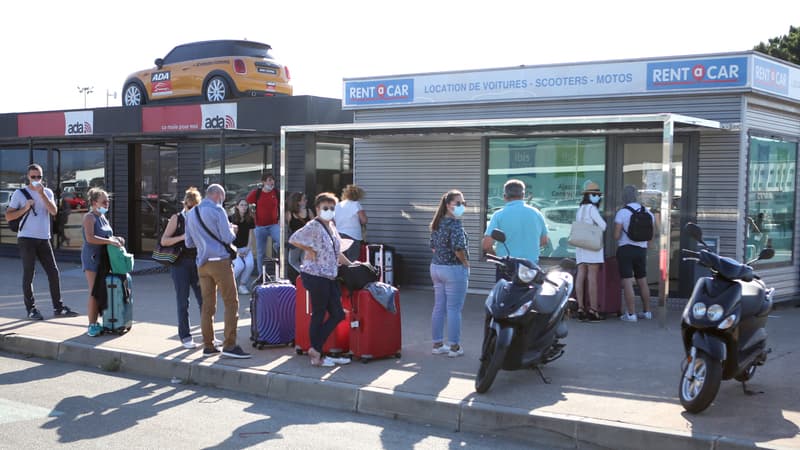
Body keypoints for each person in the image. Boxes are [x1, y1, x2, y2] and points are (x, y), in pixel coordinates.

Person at [185, 184, 251, 359]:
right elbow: (228, 237)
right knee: (231, 302)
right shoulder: (218, 210)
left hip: (202, 264)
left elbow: (188, 243)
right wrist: (232, 229)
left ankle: (208, 345)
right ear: (217, 195)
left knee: (207, 305)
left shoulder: (191, 213)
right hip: (220, 262)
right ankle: (229, 345)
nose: (223, 200)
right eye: (222, 197)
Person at [5, 164, 77, 321]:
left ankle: (58, 307)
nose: (37, 180)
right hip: (26, 238)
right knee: (29, 273)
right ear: (28, 177)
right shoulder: (20, 193)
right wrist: (25, 208)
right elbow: (9, 216)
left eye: (39, 177)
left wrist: (42, 195)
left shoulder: (48, 192)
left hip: (44, 238)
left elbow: (53, 211)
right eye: (33, 177)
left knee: (53, 272)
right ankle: (31, 309)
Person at [289, 192, 353, 368]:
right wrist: (308, 249)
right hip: (316, 275)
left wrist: (352, 266)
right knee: (319, 312)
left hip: (329, 275)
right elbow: (293, 239)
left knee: (338, 313)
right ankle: (316, 353)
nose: (329, 211)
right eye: (325, 208)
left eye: (332, 208)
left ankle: (316, 349)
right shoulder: (314, 225)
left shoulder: (331, 226)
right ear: (317, 209)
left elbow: (337, 251)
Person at [160, 187, 204, 349]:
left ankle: (208, 334)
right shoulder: (177, 218)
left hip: (198, 261)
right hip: (180, 263)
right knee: (183, 301)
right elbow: (164, 241)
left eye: (194, 207)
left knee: (205, 300)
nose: (191, 209)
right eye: (188, 206)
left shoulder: (199, 218)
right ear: (184, 204)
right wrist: (183, 237)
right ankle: (185, 336)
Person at [429, 190, 470, 357]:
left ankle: (438, 344)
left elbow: (433, 246)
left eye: (463, 204)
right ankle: (454, 347)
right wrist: (466, 264)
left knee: (439, 307)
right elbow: (458, 248)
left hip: (436, 267)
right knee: (454, 309)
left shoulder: (437, 223)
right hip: (453, 269)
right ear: (448, 205)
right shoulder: (455, 224)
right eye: (458, 204)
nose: (462, 207)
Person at [482, 179, 548, 281]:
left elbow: (486, 245)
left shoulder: (498, 215)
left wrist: (497, 257)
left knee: (505, 296)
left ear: (504, 196)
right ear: (523, 195)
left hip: (506, 267)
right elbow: (544, 241)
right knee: (529, 296)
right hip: (530, 268)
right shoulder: (536, 214)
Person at [81, 188, 125, 336]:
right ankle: (92, 325)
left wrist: (116, 239)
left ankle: (103, 320)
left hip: (105, 259)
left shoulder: (102, 217)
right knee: (94, 292)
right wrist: (110, 241)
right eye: (104, 202)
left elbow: (107, 236)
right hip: (92, 259)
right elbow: (90, 238)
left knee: (103, 290)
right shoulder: (89, 217)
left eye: (108, 201)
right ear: (94, 203)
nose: (107, 204)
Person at [614, 185, 655, 322]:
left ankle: (631, 314)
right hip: (641, 250)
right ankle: (647, 311)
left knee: (627, 281)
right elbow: (651, 236)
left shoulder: (622, 212)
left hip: (626, 249)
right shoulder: (647, 212)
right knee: (642, 280)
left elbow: (616, 235)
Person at [574, 181, 607, 322]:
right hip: (591, 244)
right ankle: (593, 310)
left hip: (579, 244)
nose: (598, 197)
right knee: (592, 277)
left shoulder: (580, 208)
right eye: (596, 195)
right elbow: (603, 226)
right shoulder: (592, 209)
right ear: (591, 196)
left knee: (581, 274)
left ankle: (580, 307)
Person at [246, 173, 280, 279]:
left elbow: (283, 205)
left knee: (281, 242)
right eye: (269, 180)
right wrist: (251, 215)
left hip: (274, 225)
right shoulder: (256, 193)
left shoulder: (276, 193)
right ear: (264, 182)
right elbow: (246, 203)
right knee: (261, 252)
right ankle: (262, 275)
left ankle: (276, 247)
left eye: (273, 180)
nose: (272, 182)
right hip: (260, 226)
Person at [334, 184, 367, 262]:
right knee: (352, 260)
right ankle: (351, 274)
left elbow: (333, 220)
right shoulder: (356, 204)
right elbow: (364, 220)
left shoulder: (338, 205)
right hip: (353, 236)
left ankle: (342, 274)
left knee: (342, 260)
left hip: (339, 235)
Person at [286, 192, 314, 283]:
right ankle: (306, 275)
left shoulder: (291, 213)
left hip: (299, 240)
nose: (306, 201)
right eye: (304, 199)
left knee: (294, 261)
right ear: (298, 202)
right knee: (300, 261)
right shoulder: (307, 211)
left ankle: (305, 276)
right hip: (302, 240)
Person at [229, 198, 255, 293]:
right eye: (241, 205)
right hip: (233, 248)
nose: (244, 207)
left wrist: (248, 248)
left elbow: (250, 235)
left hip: (245, 247)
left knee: (250, 264)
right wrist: (236, 251)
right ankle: (228, 284)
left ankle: (242, 285)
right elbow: (228, 237)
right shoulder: (231, 218)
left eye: (245, 205)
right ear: (237, 206)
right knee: (239, 266)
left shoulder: (250, 219)